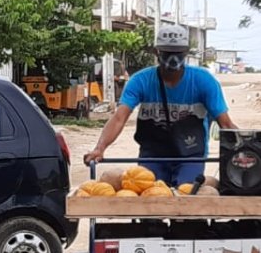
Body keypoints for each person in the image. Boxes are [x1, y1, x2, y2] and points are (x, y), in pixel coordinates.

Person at [83, 25, 237, 185]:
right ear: (157, 52)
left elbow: (225, 123)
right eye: (167, 53)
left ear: (186, 53)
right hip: (153, 154)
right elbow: (118, 118)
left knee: (186, 192)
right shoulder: (141, 81)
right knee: (150, 193)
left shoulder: (204, 81)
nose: (173, 58)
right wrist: (99, 148)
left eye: (177, 53)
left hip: (190, 154)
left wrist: (244, 148)